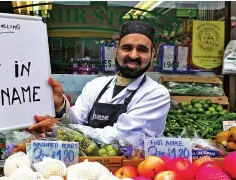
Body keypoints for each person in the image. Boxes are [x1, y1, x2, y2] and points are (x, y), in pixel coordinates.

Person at [28, 21, 170, 141]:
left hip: (130, 169)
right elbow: (76, 121)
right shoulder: (96, 85)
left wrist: (58, 128)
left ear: (152, 55)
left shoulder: (156, 94)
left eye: (142, 50)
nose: (133, 55)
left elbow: (121, 137)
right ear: (116, 52)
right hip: (85, 168)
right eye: (127, 48)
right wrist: (60, 105)